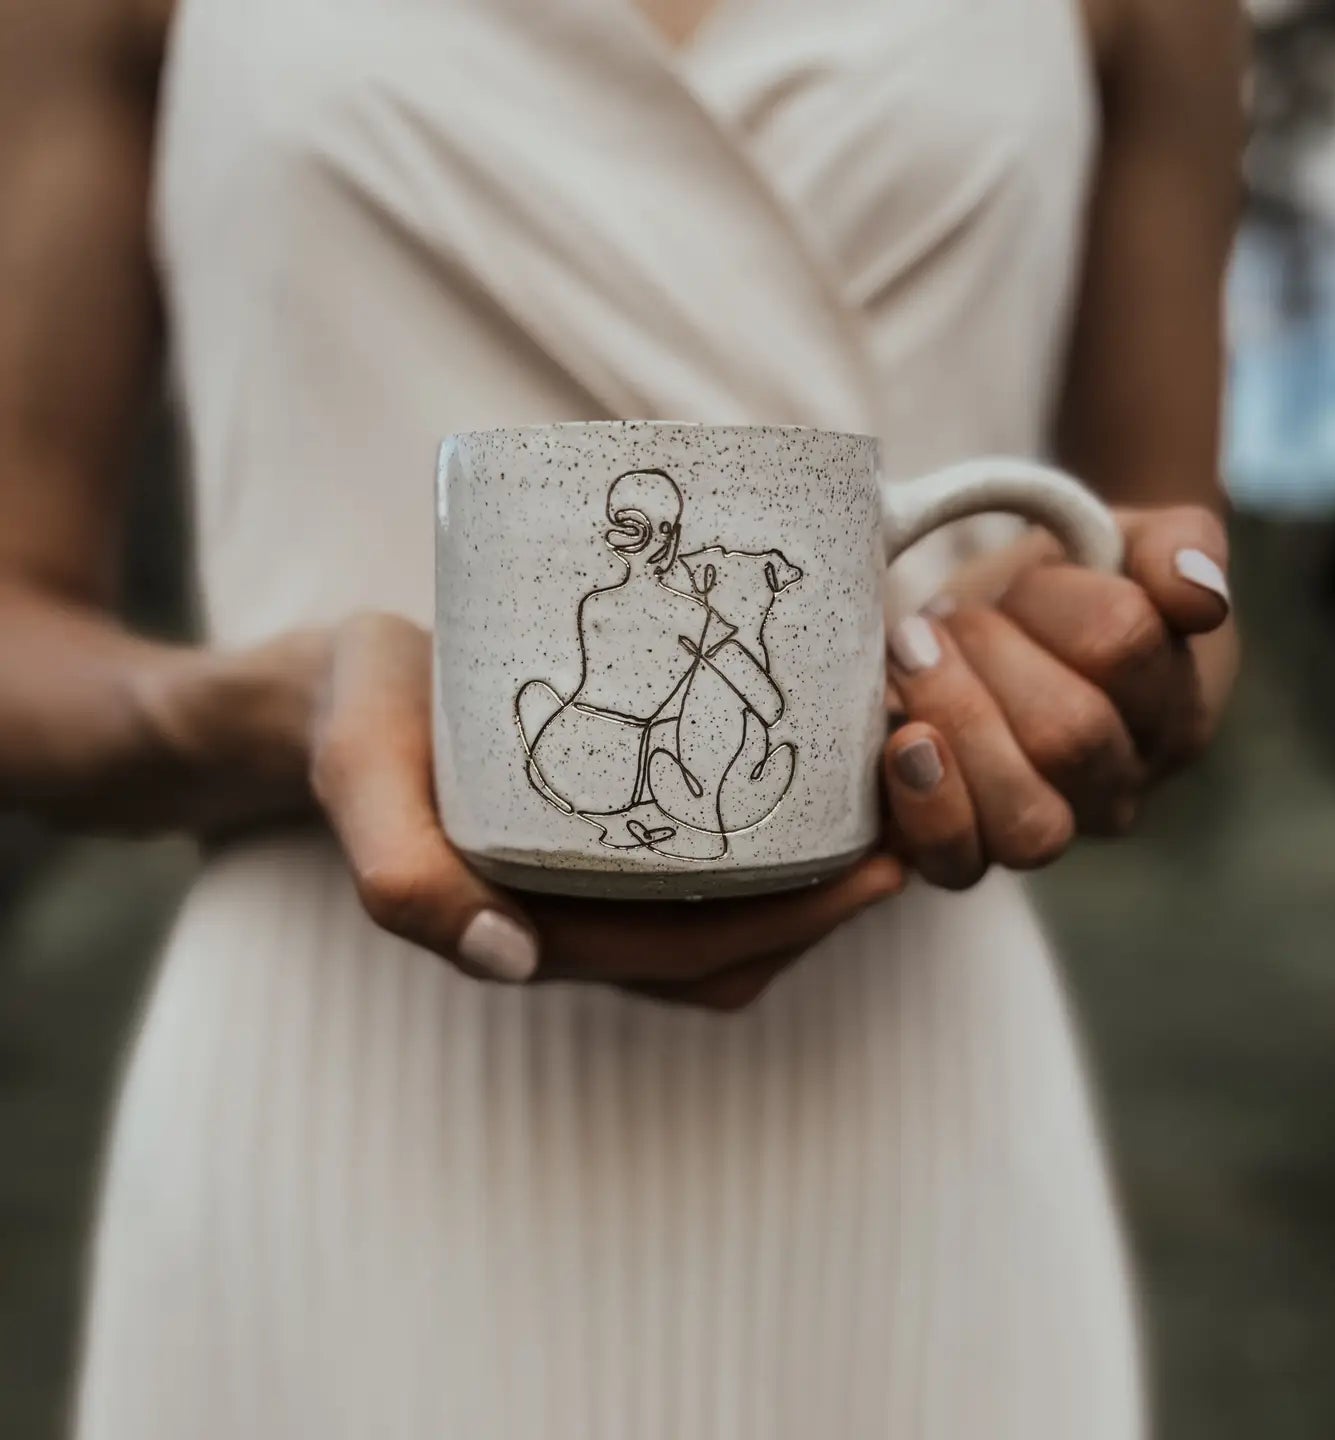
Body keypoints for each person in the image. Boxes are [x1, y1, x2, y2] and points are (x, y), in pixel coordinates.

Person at [0, 0, 1243, 1434]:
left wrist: (1101, 654)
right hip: (330, 1095)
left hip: (910, 1099)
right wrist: (269, 713)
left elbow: (1164, 542)